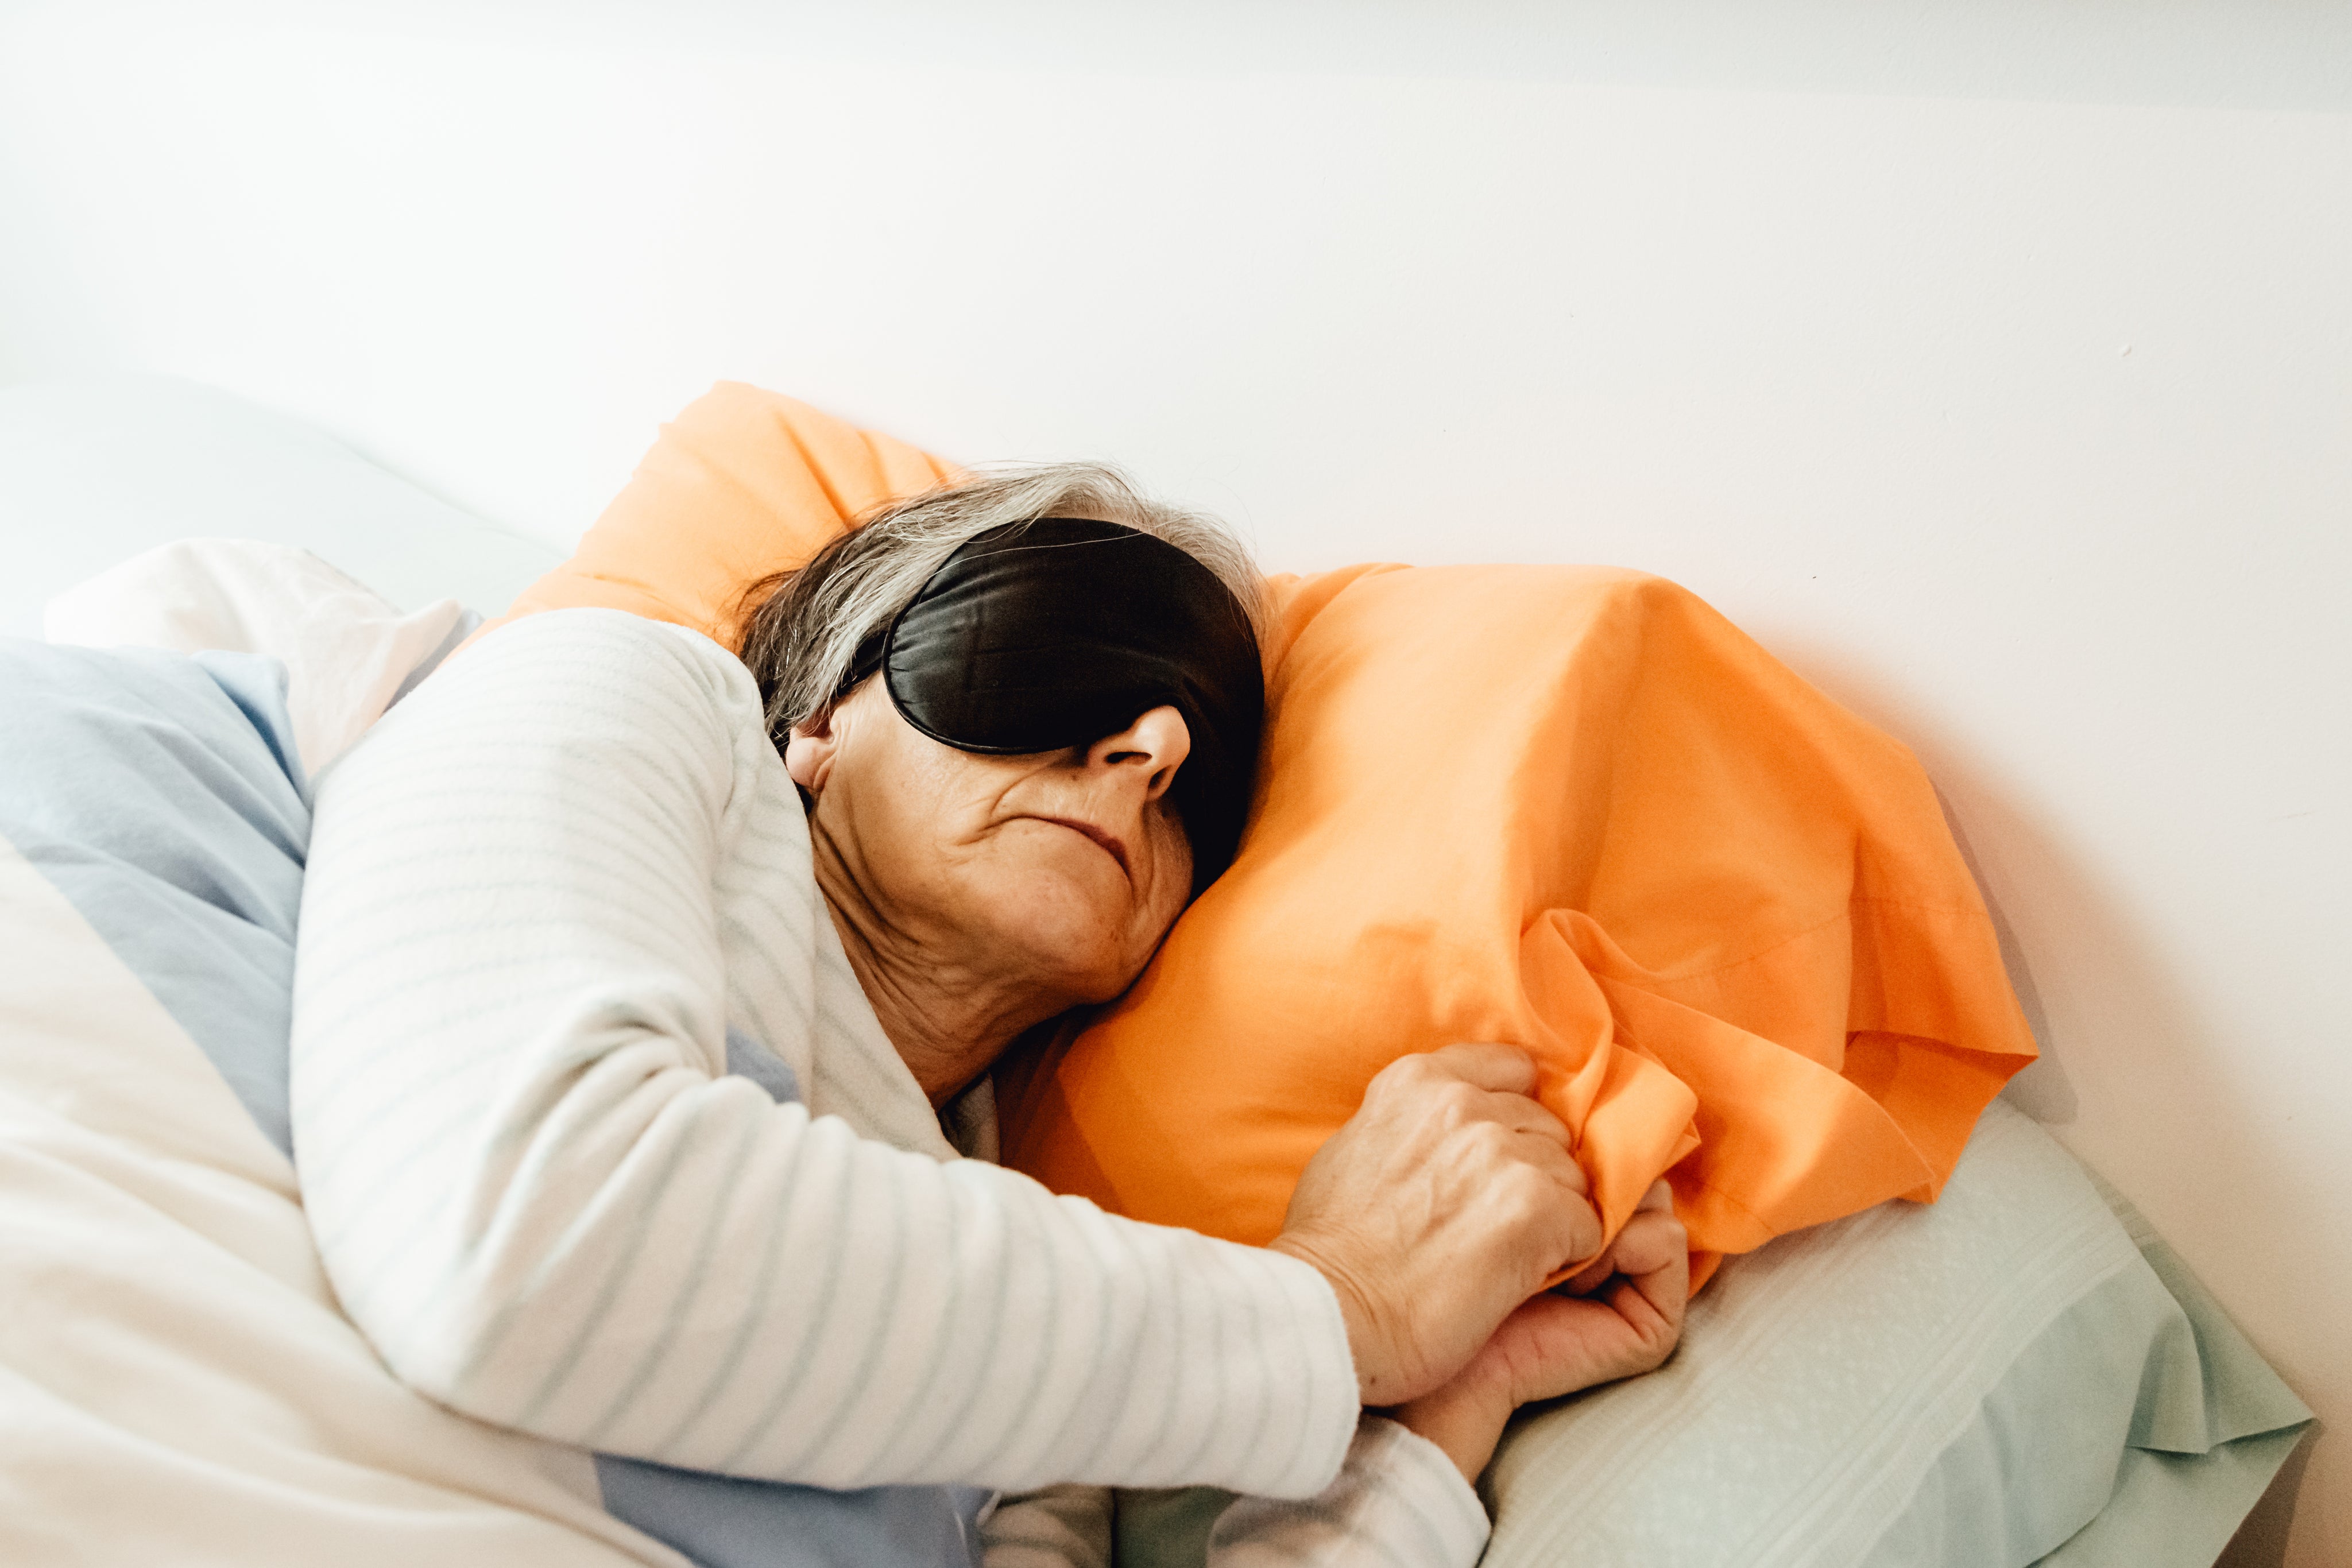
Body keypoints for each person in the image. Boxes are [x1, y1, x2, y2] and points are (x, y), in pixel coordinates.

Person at [288, 463, 1688, 1568]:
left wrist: (1430, 1426)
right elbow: (522, 1248)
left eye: (1210, 760)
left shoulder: (1039, 1355)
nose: (1154, 746)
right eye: (1050, 657)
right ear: (821, 715)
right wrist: (1346, 1307)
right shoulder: (624, 692)